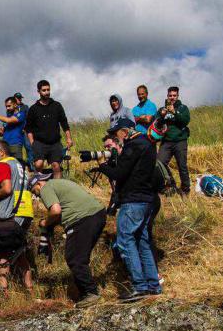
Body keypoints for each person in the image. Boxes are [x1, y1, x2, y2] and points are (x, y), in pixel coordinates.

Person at [98, 118, 162, 301]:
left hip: (133, 199)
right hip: (148, 199)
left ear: (124, 132)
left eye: (116, 133)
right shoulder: (148, 144)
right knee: (142, 241)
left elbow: (119, 174)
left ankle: (140, 286)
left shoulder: (132, 146)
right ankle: (153, 285)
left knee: (125, 240)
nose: (115, 137)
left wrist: (103, 166)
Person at [30, 172, 107, 306]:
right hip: (97, 214)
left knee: (74, 257)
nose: (36, 195)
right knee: (80, 256)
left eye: (34, 191)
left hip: (82, 219)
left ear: (38, 183)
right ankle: (84, 294)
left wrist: (45, 223)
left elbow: (55, 211)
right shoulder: (58, 183)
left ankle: (91, 293)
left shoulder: (46, 187)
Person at [0, 140, 36, 292]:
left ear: (2, 152)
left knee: (1, 252)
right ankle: (30, 290)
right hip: (24, 213)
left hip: (7, 214)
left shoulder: (3, 164)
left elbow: (6, 189)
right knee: (19, 251)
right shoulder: (20, 166)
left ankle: (3, 292)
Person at [25, 79, 73, 179]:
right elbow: (28, 128)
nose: (47, 92)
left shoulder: (57, 106)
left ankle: (57, 188)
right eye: (44, 90)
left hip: (54, 142)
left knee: (56, 166)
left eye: (48, 90)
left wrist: (68, 138)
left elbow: (64, 123)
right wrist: (32, 143)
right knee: (38, 164)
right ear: (38, 91)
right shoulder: (33, 109)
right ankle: (39, 186)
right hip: (39, 143)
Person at [157, 86, 192, 195]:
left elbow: (185, 121)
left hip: (180, 140)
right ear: (167, 96)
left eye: (174, 95)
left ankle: (185, 189)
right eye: (170, 95)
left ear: (177, 96)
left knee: (182, 165)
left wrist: (174, 112)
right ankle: (171, 184)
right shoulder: (162, 109)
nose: (172, 97)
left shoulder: (183, 108)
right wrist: (162, 116)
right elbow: (157, 124)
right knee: (159, 163)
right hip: (166, 141)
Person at [0, 96, 27, 162]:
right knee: (8, 166)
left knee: (18, 165)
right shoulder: (7, 118)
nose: (7, 108)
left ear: (15, 105)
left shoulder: (21, 114)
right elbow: (1, 133)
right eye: (6, 106)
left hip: (15, 144)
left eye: (9, 106)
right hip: (5, 146)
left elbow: (9, 120)